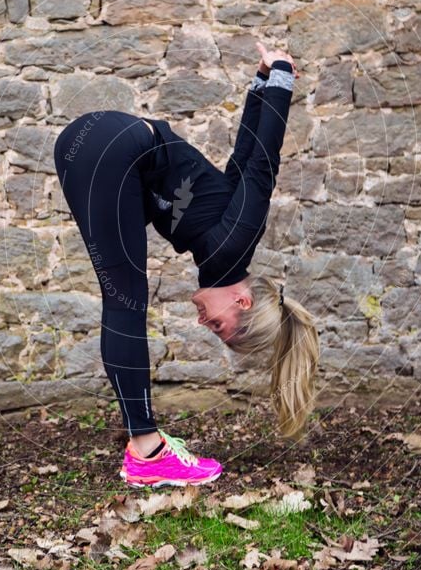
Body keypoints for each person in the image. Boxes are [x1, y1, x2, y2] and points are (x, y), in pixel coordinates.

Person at [53, 42, 320, 488]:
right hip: (107, 149)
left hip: (96, 145)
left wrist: (258, 84)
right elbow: (262, 165)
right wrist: (280, 80)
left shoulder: (217, 244)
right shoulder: (236, 242)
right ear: (242, 299)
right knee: (125, 302)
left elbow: (242, 158)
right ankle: (148, 450)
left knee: (123, 294)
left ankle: (144, 444)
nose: (205, 323)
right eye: (220, 325)